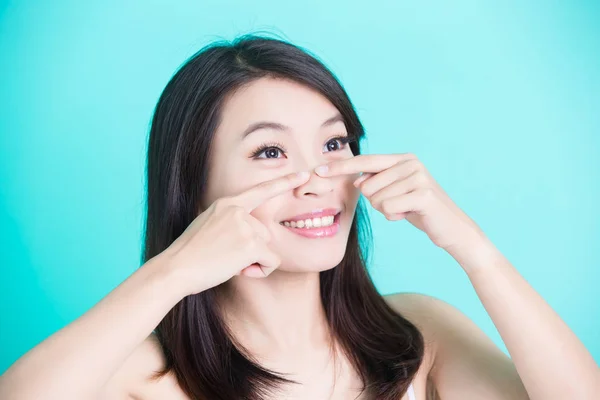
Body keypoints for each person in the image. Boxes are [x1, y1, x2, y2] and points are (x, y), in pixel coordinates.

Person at [0, 34, 598, 400]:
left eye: (335, 145)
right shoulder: (141, 375)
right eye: (269, 152)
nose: (317, 182)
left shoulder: (418, 335)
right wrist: (174, 269)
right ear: (195, 184)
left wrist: (473, 250)